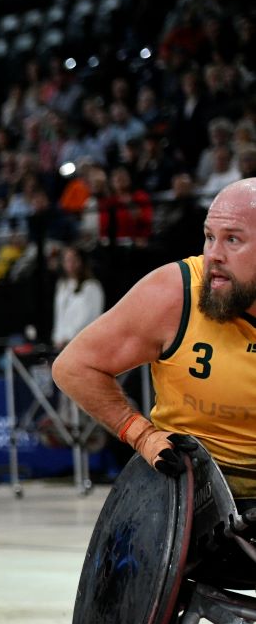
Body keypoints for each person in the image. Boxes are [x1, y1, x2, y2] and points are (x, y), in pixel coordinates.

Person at [53, 178, 256, 502]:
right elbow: (73, 366)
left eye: (232, 239)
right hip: (189, 489)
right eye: (209, 237)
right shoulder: (175, 292)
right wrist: (141, 434)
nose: (213, 255)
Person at [50, 247, 104, 351]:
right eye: (67, 260)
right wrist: (58, 337)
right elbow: (59, 315)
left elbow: (90, 317)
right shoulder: (62, 284)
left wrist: (69, 337)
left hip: (83, 343)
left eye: (74, 259)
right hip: (62, 344)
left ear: (81, 261)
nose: (70, 263)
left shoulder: (92, 286)